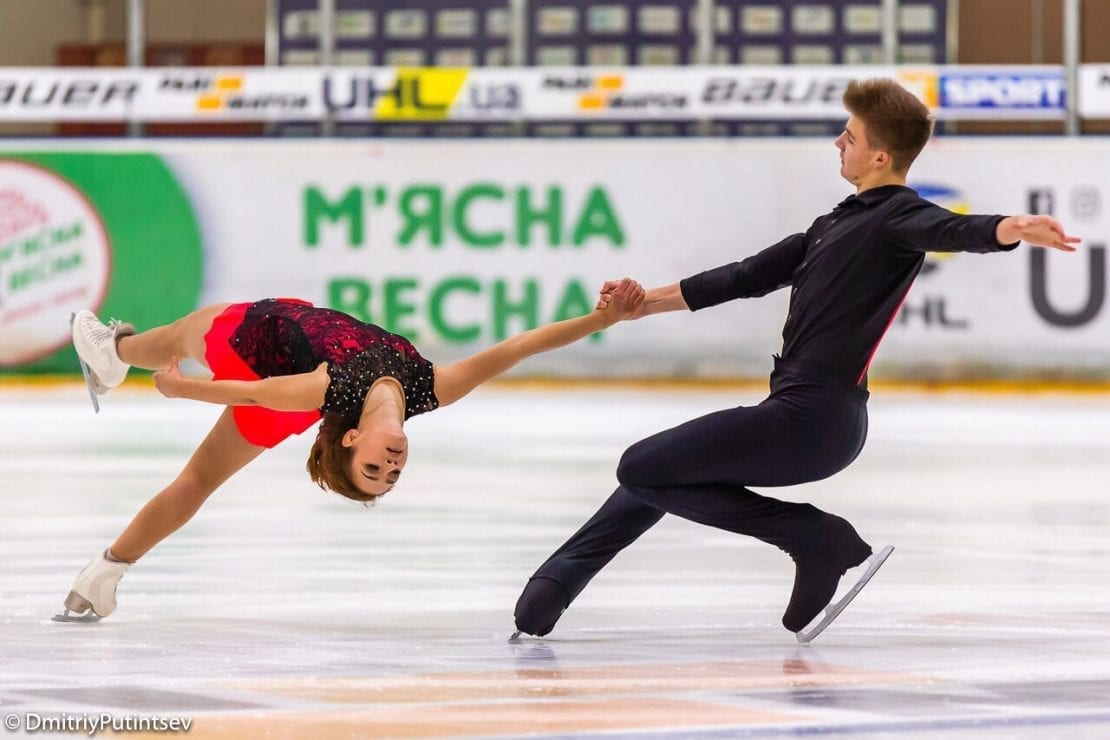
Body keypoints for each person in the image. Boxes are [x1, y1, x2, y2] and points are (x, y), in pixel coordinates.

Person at [512, 78, 1081, 643]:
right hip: (802, 415)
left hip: (815, 421)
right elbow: (738, 278)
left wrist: (1010, 228)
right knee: (662, 470)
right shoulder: (830, 227)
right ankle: (557, 583)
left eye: (850, 135)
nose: (839, 142)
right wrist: (638, 306)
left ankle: (812, 536)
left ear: (880, 156)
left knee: (641, 465)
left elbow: (952, 228)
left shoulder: (897, 217)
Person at [56, 280, 645, 623]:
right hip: (281, 388)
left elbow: (255, 390)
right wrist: (603, 317)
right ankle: (104, 571)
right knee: (198, 481)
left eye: (372, 469)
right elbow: (521, 346)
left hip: (254, 348)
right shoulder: (432, 389)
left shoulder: (330, 390)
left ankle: (116, 349)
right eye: (392, 474)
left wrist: (186, 389)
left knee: (192, 332)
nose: (390, 464)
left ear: (350, 438)